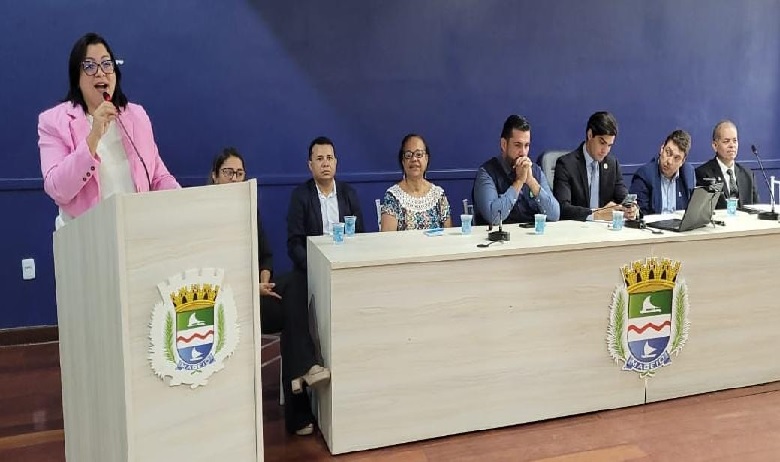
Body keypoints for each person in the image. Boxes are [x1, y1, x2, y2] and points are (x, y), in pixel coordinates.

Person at [210, 148, 329, 437]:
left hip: (257, 297)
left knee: (295, 286)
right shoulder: (206, 215)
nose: (235, 179)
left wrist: (263, 281)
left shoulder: (249, 210)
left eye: (240, 173)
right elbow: (210, 270)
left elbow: (266, 256)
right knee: (292, 309)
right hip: (225, 303)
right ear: (214, 177)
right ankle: (300, 398)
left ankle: (303, 375)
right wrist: (250, 287)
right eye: (228, 173)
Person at [38, 33, 179, 229]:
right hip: (87, 234)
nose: (100, 73)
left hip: (136, 229)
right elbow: (57, 189)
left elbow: (158, 177)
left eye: (106, 64)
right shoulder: (53, 121)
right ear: (76, 77)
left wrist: (184, 200)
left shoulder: (136, 116)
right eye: (89, 66)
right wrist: (94, 136)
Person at [287, 136, 364, 272]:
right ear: (310, 165)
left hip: (344, 265)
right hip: (311, 268)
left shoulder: (348, 193)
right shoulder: (300, 195)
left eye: (329, 158)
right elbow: (295, 242)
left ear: (335, 162)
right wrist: (313, 267)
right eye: (319, 159)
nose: (325, 164)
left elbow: (360, 235)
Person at [472, 115, 560, 225]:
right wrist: (518, 182)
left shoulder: (535, 171)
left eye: (526, 145)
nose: (523, 152)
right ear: (504, 144)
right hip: (501, 235)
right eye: (517, 145)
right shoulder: (487, 173)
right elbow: (494, 217)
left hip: (532, 234)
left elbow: (555, 215)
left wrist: (531, 182)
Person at [553, 111, 637, 221]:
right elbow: (563, 209)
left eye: (609, 145)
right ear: (590, 135)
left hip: (605, 229)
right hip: (577, 228)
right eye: (602, 143)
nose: (605, 151)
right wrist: (596, 214)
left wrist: (631, 209)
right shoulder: (566, 165)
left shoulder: (612, 164)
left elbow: (623, 196)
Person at [380, 134, 452, 231]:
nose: (414, 159)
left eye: (419, 154)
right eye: (408, 155)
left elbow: (448, 235)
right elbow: (387, 238)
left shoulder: (438, 195)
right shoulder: (393, 197)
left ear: (426, 159)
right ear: (403, 161)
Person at [695, 120, 759, 209]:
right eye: (726, 141)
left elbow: (756, 209)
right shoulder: (704, 174)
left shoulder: (748, 175)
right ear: (715, 145)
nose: (732, 145)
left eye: (735, 141)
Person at [630, 130, 696, 215]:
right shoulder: (644, 176)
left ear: (682, 162)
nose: (669, 161)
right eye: (668, 152)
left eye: (676, 158)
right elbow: (640, 214)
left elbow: (691, 212)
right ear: (661, 149)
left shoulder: (688, 174)